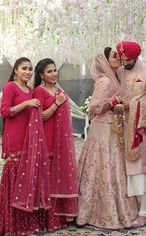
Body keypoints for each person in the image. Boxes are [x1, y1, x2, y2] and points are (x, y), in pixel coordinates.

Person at [76, 47, 138, 229]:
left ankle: (114, 208)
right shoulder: (104, 81)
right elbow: (95, 108)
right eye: (114, 56)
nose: (118, 57)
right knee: (102, 167)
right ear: (105, 61)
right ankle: (95, 211)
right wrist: (113, 102)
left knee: (112, 167)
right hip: (102, 129)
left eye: (118, 55)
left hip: (112, 128)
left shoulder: (114, 78)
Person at [116, 41, 146, 228]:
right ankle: (129, 210)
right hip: (119, 126)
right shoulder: (120, 71)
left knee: (138, 170)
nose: (123, 63)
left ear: (135, 57)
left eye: (127, 60)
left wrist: (135, 105)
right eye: (121, 59)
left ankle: (144, 213)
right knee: (123, 170)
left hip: (138, 127)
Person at [0, 57, 46, 235]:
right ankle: (11, 224)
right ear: (15, 70)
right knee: (15, 178)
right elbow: (4, 111)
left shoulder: (31, 89)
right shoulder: (10, 87)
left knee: (28, 180)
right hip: (15, 137)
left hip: (30, 139)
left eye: (30, 69)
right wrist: (26, 103)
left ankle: (25, 224)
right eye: (24, 68)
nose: (27, 72)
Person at [33, 58, 78, 227]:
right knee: (46, 179)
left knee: (59, 177)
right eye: (49, 71)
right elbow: (40, 117)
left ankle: (60, 216)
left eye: (55, 70)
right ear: (41, 75)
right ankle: (46, 219)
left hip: (61, 142)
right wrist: (56, 104)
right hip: (46, 140)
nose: (54, 74)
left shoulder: (59, 89)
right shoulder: (39, 91)